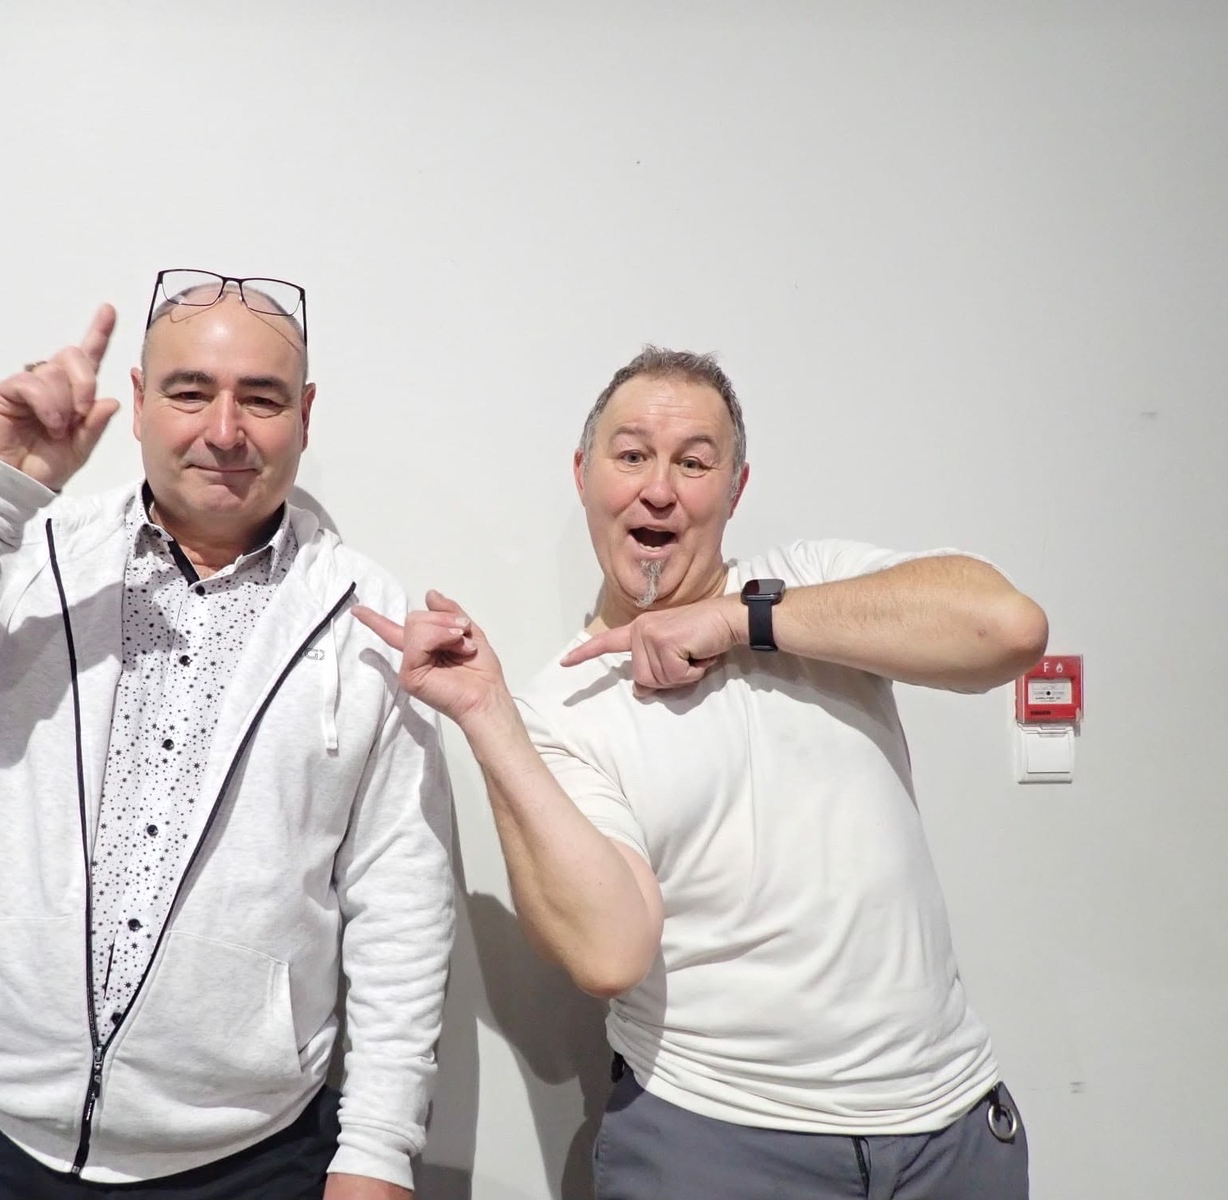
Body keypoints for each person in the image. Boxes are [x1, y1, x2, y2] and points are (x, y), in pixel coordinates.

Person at [0, 271, 454, 1200]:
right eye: (190, 391)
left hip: (246, 1163)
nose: (225, 430)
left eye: (261, 399)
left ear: (305, 415)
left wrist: (378, 1150)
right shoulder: (26, 553)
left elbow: (401, 901)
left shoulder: (367, 615)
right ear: (138, 402)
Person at [354, 346, 1047, 1200]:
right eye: (631, 455)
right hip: (717, 1144)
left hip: (951, 1132)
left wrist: (737, 621)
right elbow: (609, 952)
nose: (659, 489)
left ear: (734, 489)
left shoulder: (810, 588)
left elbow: (1007, 628)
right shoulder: (565, 710)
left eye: (693, 462)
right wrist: (488, 715)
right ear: (583, 475)